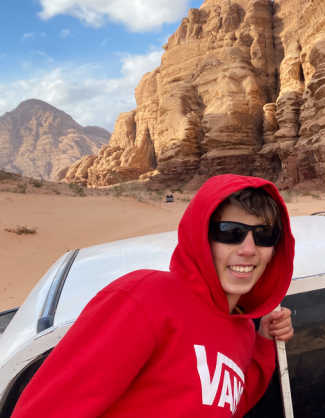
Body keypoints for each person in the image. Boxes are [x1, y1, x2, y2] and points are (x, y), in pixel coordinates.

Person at [12, 174, 296, 417]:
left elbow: (228, 405)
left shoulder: (243, 330)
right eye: (231, 232)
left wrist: (262, 341)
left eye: (263, 235)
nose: (248, 248)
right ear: (202, 238)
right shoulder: (145, 298)